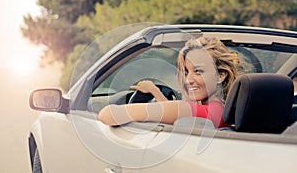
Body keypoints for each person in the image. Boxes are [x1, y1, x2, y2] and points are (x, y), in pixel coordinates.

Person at [98, 37, 245, 128]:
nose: (188, 80)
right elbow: (170, 112)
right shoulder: (227, 112)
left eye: (198, 71)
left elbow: (108, 115)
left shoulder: (194, 111)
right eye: (186, 72)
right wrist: (154, 90)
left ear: (221, 76)